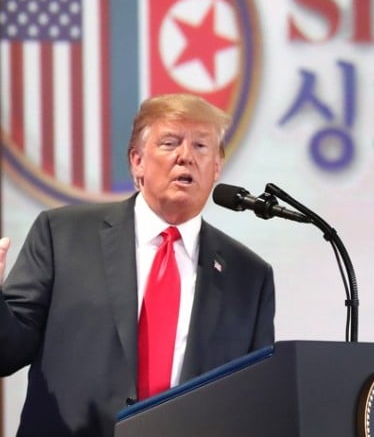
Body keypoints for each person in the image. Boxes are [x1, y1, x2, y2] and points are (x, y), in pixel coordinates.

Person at [0, 93, 275, 437]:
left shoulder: (249, 276)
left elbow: (255, 399)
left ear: (217, 167)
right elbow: (7, 352)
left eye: (201, 146)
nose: (185, 156)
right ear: (137, 161)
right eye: (170, 143)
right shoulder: (63, 235)